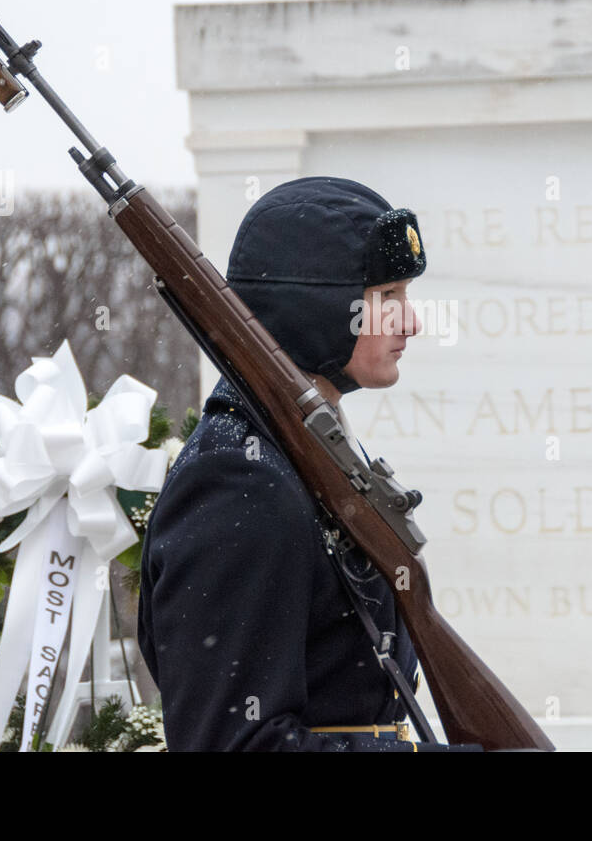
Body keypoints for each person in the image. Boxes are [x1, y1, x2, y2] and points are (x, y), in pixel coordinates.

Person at [137, 176, 482, 751]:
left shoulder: (300, 458)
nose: (411, 322)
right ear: (317, 305)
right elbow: (230, 743)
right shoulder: (238, 478)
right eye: (387, 296)